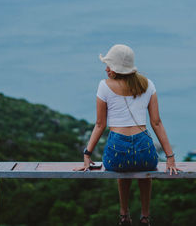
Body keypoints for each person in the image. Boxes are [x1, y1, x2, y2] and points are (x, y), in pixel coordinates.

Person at [77, 44, 180, 226]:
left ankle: (124, 214)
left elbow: (100, 125)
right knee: (144, 170)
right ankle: (145, 216)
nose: (106, 68)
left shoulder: (104, 86)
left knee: (121, 166)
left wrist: (87, 155)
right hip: (145, 151)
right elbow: (156, 123)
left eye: (109, 65)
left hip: (118, 152)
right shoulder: (148, 85)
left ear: (117, 69)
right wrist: (170, 157)